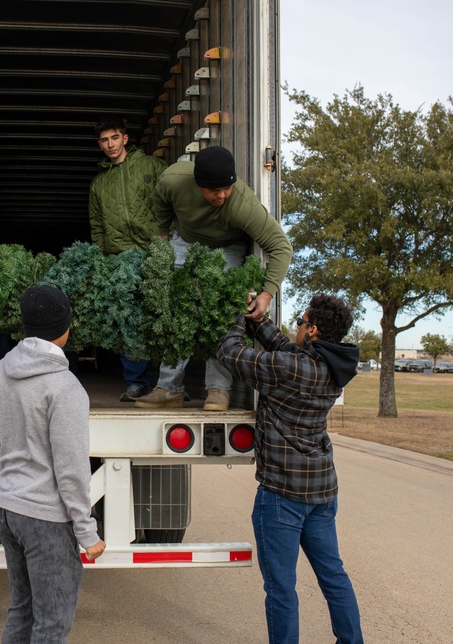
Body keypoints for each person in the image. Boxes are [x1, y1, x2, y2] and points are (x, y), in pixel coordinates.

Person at [216, 293, 363, 644]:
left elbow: (230, 354)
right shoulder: (331, 366)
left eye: (300, 321)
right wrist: (257, 320)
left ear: (312, 330)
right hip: (322, 494)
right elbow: (284, 344)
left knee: (281, 590)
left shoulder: (290, 368)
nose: (296, 325)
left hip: (282, 496)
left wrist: (235, 316)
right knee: (334, 576)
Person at [0, 284, 106, 642]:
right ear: (66, 329)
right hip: (45, 518)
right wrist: (86, 532)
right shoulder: (65, 387)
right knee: (52, 624)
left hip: (6, 506)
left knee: (22, 609)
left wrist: (10, 485)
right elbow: (71, 469)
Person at [134, 145, 293, 411]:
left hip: (227, 247)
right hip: (185, 240)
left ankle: (218, 389)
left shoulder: (242, 204)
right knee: (175, 305)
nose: (221, 195)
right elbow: (161, 204)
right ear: (198, 185)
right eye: (214, 190)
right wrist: (162, 237)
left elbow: (281, 246)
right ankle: (169, 388)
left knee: (222, 310)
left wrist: (266, 294)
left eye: (226, 188)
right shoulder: (173, 180)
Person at [88, 116, 167, 402]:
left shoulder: (152, 166)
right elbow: (96, 225)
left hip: (154, 251)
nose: (110, 144)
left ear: (125, 138)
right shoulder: (99, 183)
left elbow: (170, 202)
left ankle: (167, 383)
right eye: (104, 140)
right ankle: (136, 382)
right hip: (120, 258)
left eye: (114, 138)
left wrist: (166, 236)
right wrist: (103, 257)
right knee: (129, 320)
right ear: (100, 145)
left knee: (160, 314)